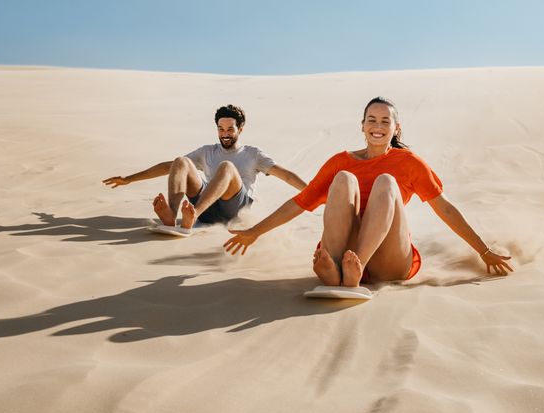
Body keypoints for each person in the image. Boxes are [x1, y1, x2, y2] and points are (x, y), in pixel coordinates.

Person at [223, 97, 513, 286]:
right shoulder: (340, 161)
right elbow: (300, 202)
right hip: (344, 248)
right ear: (362, 126)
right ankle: (337, 267)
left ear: (396, 129)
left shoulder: (409, 163)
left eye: (385, 121)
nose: (377, 126)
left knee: (385, 182)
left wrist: (483, 251)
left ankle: (355, 268)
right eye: (371, 120)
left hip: (389, 258)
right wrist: (254, 232)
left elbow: (445, 209)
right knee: (343, 178)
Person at [102, 104, 307, 228]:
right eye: (220, 129)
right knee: (180, 161)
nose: (224, 133)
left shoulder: (253, 154)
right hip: (208, 207)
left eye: (230, 129)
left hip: (234, 209)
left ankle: (193, 215)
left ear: (240, 129)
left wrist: (314, 193)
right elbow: (169, 167)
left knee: (226, 167)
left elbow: (286, 175)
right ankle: (172, 215)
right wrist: (129, 179)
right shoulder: (207, 151)